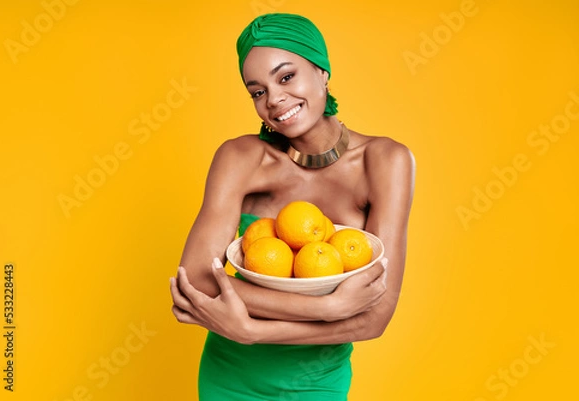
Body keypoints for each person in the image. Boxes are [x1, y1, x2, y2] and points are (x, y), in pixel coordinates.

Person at [170, 12, 415, 401]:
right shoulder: (241, 159)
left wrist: (253, 331)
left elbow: (375, 317)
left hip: (317, 381)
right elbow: (196, 281)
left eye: (286, 77)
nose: (275, 99)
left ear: (322, 72)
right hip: (230, 377)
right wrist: (333, 308)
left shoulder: (385, 162)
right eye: (257, 91)